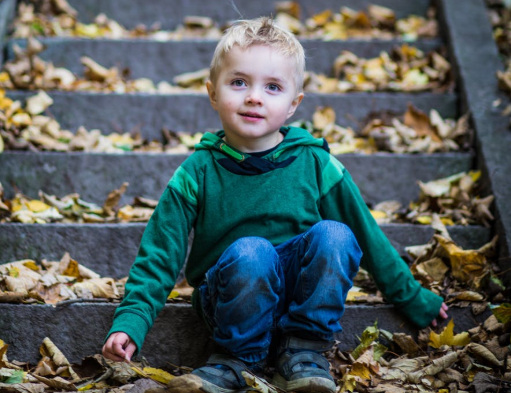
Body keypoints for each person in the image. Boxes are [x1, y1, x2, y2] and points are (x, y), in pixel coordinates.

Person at [102, 17, 448, 393]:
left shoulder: (314, 163)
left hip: (300, 297)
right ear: (213, 92)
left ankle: (303, 352)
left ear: (293, 104)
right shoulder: (198, 171)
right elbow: (160, 253)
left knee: (336, 235)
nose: (254, 96)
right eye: (239, 82)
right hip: (229, 299)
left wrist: (412, 298)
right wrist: (131, 321)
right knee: (253, 252)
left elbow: (368, 234)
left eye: (272, 86)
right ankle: (234, 360)